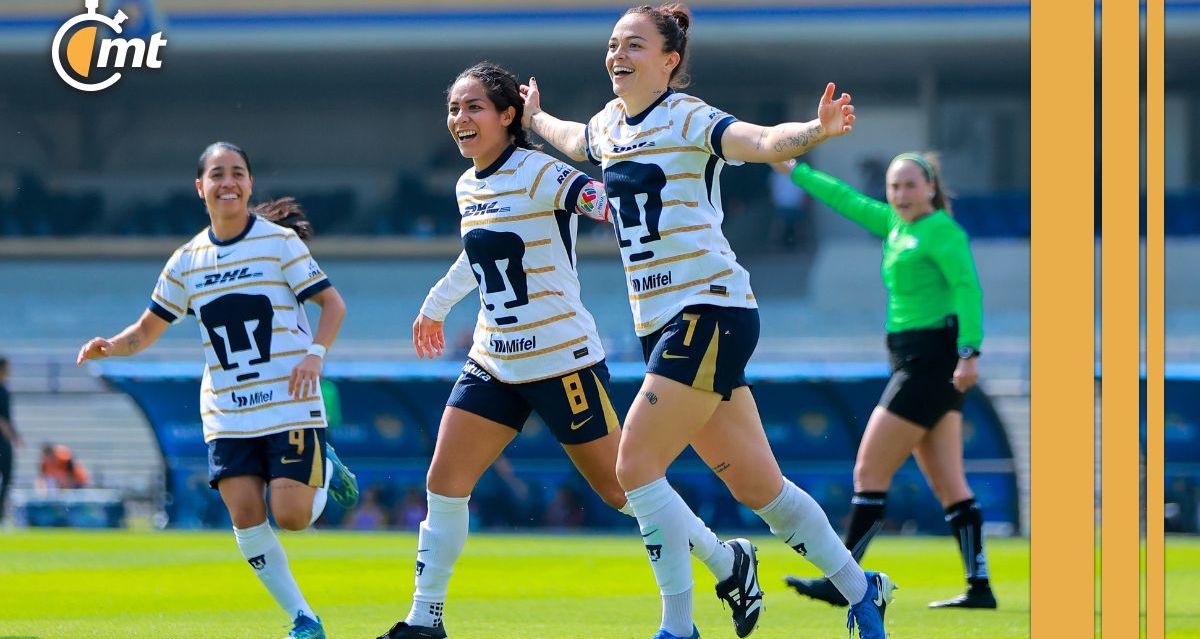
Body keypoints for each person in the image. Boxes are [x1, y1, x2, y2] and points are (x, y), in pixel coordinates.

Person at [520, 5, 893, 638]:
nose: (617, 54)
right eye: (613, 44)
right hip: (663, 324)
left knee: (633, 466)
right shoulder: (610, 125)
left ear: (670, 61)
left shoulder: (688, 116)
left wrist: (814, 131)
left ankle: (681, 623)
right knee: (762, 490)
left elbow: (761, 141)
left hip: (710, 307)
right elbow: (573, 138)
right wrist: (532, 119)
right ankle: (863, 591)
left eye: (634, 44)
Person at [377, 62, 758, 639]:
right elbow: (474, 254)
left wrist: (671, 206)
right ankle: (425, 619)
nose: (460, 119)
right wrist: (436, 304)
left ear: (509, 116)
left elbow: (612, 202)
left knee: (623, 489)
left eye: (474, 107)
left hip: (563, 362)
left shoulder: (540, 172)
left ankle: (726, 560)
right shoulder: (467, 186)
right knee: (444, 482)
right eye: (454, 108)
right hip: (494, 359)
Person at [76, 141, 361, 639]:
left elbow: (332, 306)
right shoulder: (187, 260)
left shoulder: (279, 244)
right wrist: (110, 346)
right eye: (217, 174)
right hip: (227, 410)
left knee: (292, 517)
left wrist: (315, 355)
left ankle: (325, 465)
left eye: (238, 173)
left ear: (249, 184)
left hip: (289, 403)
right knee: (246, 515)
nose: (227, 182)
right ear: (200, 187)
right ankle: (303, 618)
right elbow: (145, 331)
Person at [776, 154, 996, 609]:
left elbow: (967, 288)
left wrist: (970, 352)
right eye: (894, 187)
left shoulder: (941, 231)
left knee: (869, 471)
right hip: (916, 363)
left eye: (910, 186)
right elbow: (844, 198)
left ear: (931, 188)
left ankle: (845, 581)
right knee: (951, 484)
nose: (899, 195)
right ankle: (980, 589)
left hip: (930, 364)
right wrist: (796, 171)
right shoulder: (894, 225)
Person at [0, 357, 22, 523]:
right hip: (2, 441)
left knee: (7, 478)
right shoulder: (2, 391)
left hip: (4, 440)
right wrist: (13, 436)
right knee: (6, 477)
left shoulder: (4, 389)